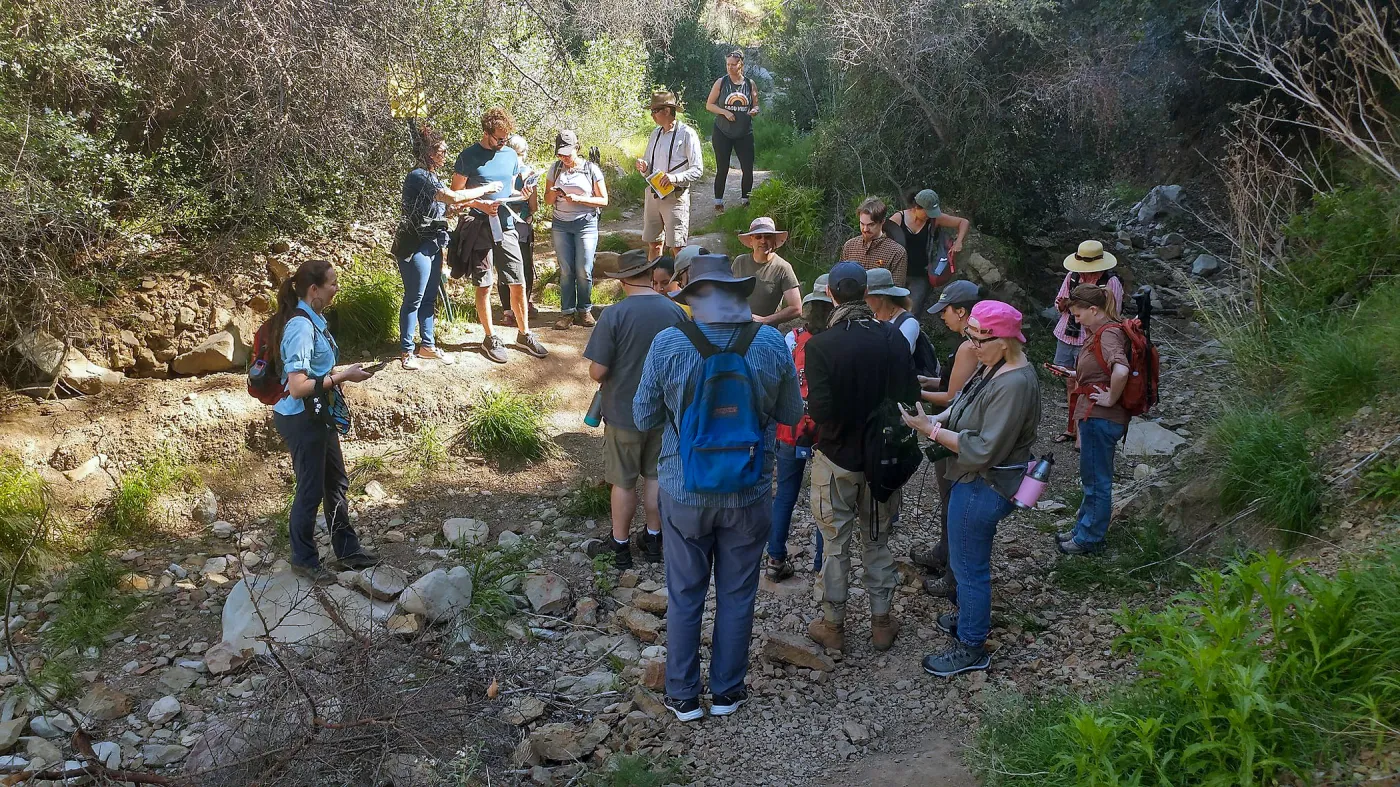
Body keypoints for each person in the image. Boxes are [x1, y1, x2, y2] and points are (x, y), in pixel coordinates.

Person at [633, 254, 802, 722]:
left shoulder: (669, 343)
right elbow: (791, 414)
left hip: (683, 489)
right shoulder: (769, 342)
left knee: (685, 594)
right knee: (737, 594)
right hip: (749, 493)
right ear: (738, 294)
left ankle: (684, 696)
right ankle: (727, 692)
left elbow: (643, 415)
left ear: (694, 301)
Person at [900, 301, 1041, 677]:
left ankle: (972, 646)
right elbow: (962, 401)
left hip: (984, 484)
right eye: (971, 337)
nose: (973, 345)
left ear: (1005, 340)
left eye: (980, 339)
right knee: (966, 562)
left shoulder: (1013, 384)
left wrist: (929, 430)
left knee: (968, 567)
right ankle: (968, 620)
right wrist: (933, 418)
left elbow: (982, 449)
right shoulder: (994, 365)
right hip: (974, 480)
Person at [803, 261, 921, 654]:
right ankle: (882, 623)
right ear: (868, 295)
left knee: (835, 544)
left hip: (837, 457)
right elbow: (908, 397)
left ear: (832, 295)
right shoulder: (893, 338)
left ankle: (833, 625)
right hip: (883, 460)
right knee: (878, 540)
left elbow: (818, 411)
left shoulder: (821, 345)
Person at [266, 260, 381, 581]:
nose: (336, 287)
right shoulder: (300, 327)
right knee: (310, 490)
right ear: (313, 290)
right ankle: (303, 559)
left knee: (336, 483)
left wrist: (341, 372)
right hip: (302, 418)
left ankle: (347, 551)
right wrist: (343, 375)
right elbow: (298, 386)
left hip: (319, 413)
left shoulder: (314, 319)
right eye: (332, 283)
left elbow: (315, 372)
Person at [584, 250, 687, 569]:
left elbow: (598, 371)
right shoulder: (675, 311)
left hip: (623, 412)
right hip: (666, 413)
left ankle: (619, 546)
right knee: (656, 477)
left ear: (623, 279)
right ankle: (654, 540)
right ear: (649, 273)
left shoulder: (614, 315)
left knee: (624, 481)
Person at [396, 124, 499, 371]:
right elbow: (451, 196)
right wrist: (486, 189)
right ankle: (407, 350)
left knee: (429, 296)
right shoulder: (418, 175)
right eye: (441, 151)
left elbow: (444, 205)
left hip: (432, 243)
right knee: (415, 297)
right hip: (414, 245)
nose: (444, 156)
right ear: (429, 153)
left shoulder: (431, 176)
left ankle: (427, 346)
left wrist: (462, 206)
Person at [451, 107, 547, 364]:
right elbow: (455, 197)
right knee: (484, 283)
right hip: (479, 225)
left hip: (506, 225)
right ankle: (490, 336)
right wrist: (480, 204)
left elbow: (514, 188)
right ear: (486, 133)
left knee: (518, 279)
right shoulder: (469, 157)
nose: (503, 143)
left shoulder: (510, 156)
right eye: (499, 139)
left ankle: (524, 333)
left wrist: (523, 195)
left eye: (506, 138)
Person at [909, 279, 984, 599]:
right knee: (948, 499)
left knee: (953, 501)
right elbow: (948, 384)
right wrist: (922, 380)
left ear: (962, 311)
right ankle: (944, 553)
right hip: (954, 428)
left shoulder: (969, 347)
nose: (942, 317)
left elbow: (952, 397)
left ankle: (954, 573)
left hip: (954, 431)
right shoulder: (970, 342)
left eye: (946, 311)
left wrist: (913, 392)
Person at [1054, 284, 1130, 555]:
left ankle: (1089, 539)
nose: (1076, 320)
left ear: (1094, 310)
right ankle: (1082, 529)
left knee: (1097, 480)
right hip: (1093, 415)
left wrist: (1110, 399)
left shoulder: (1108, 335)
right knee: (1091, 477)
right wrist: (1075, 375)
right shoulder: (1101, 332)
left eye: (1078, 314)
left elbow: (1121, 369)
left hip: (1101, 417)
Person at [766, 275, 832, 581]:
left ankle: (775, 558)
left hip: (790, 429)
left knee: (785, 495)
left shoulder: (791, 339)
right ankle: (821, 566)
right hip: (824, 433)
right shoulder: (835, 344)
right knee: (825, 499)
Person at [1051, 240, 1124, 442]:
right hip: (1067, 334)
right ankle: (1072, 428)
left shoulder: (1111, 282)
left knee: (1088, 384)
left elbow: (1113, 314)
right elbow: (1059, 301)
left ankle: (1083, 434)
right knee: (1070, 381)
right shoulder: (1072, 276)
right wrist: (1064, 305)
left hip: (1092, 340)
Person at [544, 130, 610, 331]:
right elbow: (547, 200)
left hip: (586, 223)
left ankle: (584, 309)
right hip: (560, 224)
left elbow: (604, 200)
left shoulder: (591, 169)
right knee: (566, 270)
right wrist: (553, 193)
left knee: (584, 269)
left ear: (576, 148)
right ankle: (566, 312)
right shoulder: (555, 169)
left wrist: (580, 199)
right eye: (560, 154)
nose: (564, 158)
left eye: (567, 153)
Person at [636, 91, 704, 261]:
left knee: (678, 247)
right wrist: (643, 167)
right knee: (654, 243)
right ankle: (654, 284)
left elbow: (697, 169)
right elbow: (648, 166)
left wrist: (674, 178)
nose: (652, 115)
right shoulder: (655, 134)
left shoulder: (687, 134)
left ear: (667, 111)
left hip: (675, 196)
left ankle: (679, 285)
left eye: (655, 111)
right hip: (653, 195)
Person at [885, 189, 970, 316]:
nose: (929, 215)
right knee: (892, 309)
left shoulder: (934, 220)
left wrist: (958, 242)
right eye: (927, 212)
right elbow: (882, 238)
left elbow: (963, 222)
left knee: (912, 312)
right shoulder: (899, 219)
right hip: (898, 272)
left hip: (921, 275)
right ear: (916, 207)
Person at [705, 49, 759, 212]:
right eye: (728, 64)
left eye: (733, 64)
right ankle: (718, 201)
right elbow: (709, 105)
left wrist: (755, 111)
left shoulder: (750, 84)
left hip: (744, 132)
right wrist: (725, 112)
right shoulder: (721, 82)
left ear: (741, 64)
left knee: (748, 168)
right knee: (723, 167)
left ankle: (745, 200)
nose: (730, 67)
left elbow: (756, 104)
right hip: (722, 131)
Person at [864, 267, 938, 377]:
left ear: (881, 296)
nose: (863, 301)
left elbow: (898, 360)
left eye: (866, 296)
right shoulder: (870, 318)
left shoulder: (908, 323)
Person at [500, 135, 539, 329]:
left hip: (500, 222)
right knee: (524, 264)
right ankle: (523, 306)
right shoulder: (528, 172)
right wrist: (530, 212)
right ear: (524, 152)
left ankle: (507, 310)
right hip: (522, 223)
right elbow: (534, 205)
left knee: (503, 265)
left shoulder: (500, 170)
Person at [732, 217, 801, 325]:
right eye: (758, 237)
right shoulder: (739, 262)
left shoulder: (782, 268)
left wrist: (765, 320)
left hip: (765, 332)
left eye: (768, 237)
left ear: (774, 240)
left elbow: (796, 308)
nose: (763, 241)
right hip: (737, 327)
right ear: (751, 240)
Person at [840, 197, 909, 286]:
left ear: (882, 222)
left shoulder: (897, 252)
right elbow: (840, 278)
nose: (865, 229)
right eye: (862, 224)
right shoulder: (849, 246)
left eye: (871, 224)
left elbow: (897, 289)